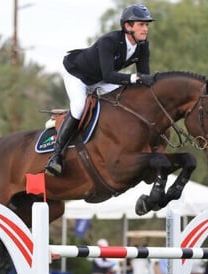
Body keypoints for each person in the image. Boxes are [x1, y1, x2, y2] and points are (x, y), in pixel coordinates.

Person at [45, 4, 156, 177]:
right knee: (79, 106)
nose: (145, 29)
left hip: (101, 79)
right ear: (128, 26)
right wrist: (134, 78)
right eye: (141, 24)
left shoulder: (142, 46)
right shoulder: (109, 41)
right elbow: (110, 75)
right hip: (78, 75)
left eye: (146, 25)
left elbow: (143, 77)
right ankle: (56, 155)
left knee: (125, 97)